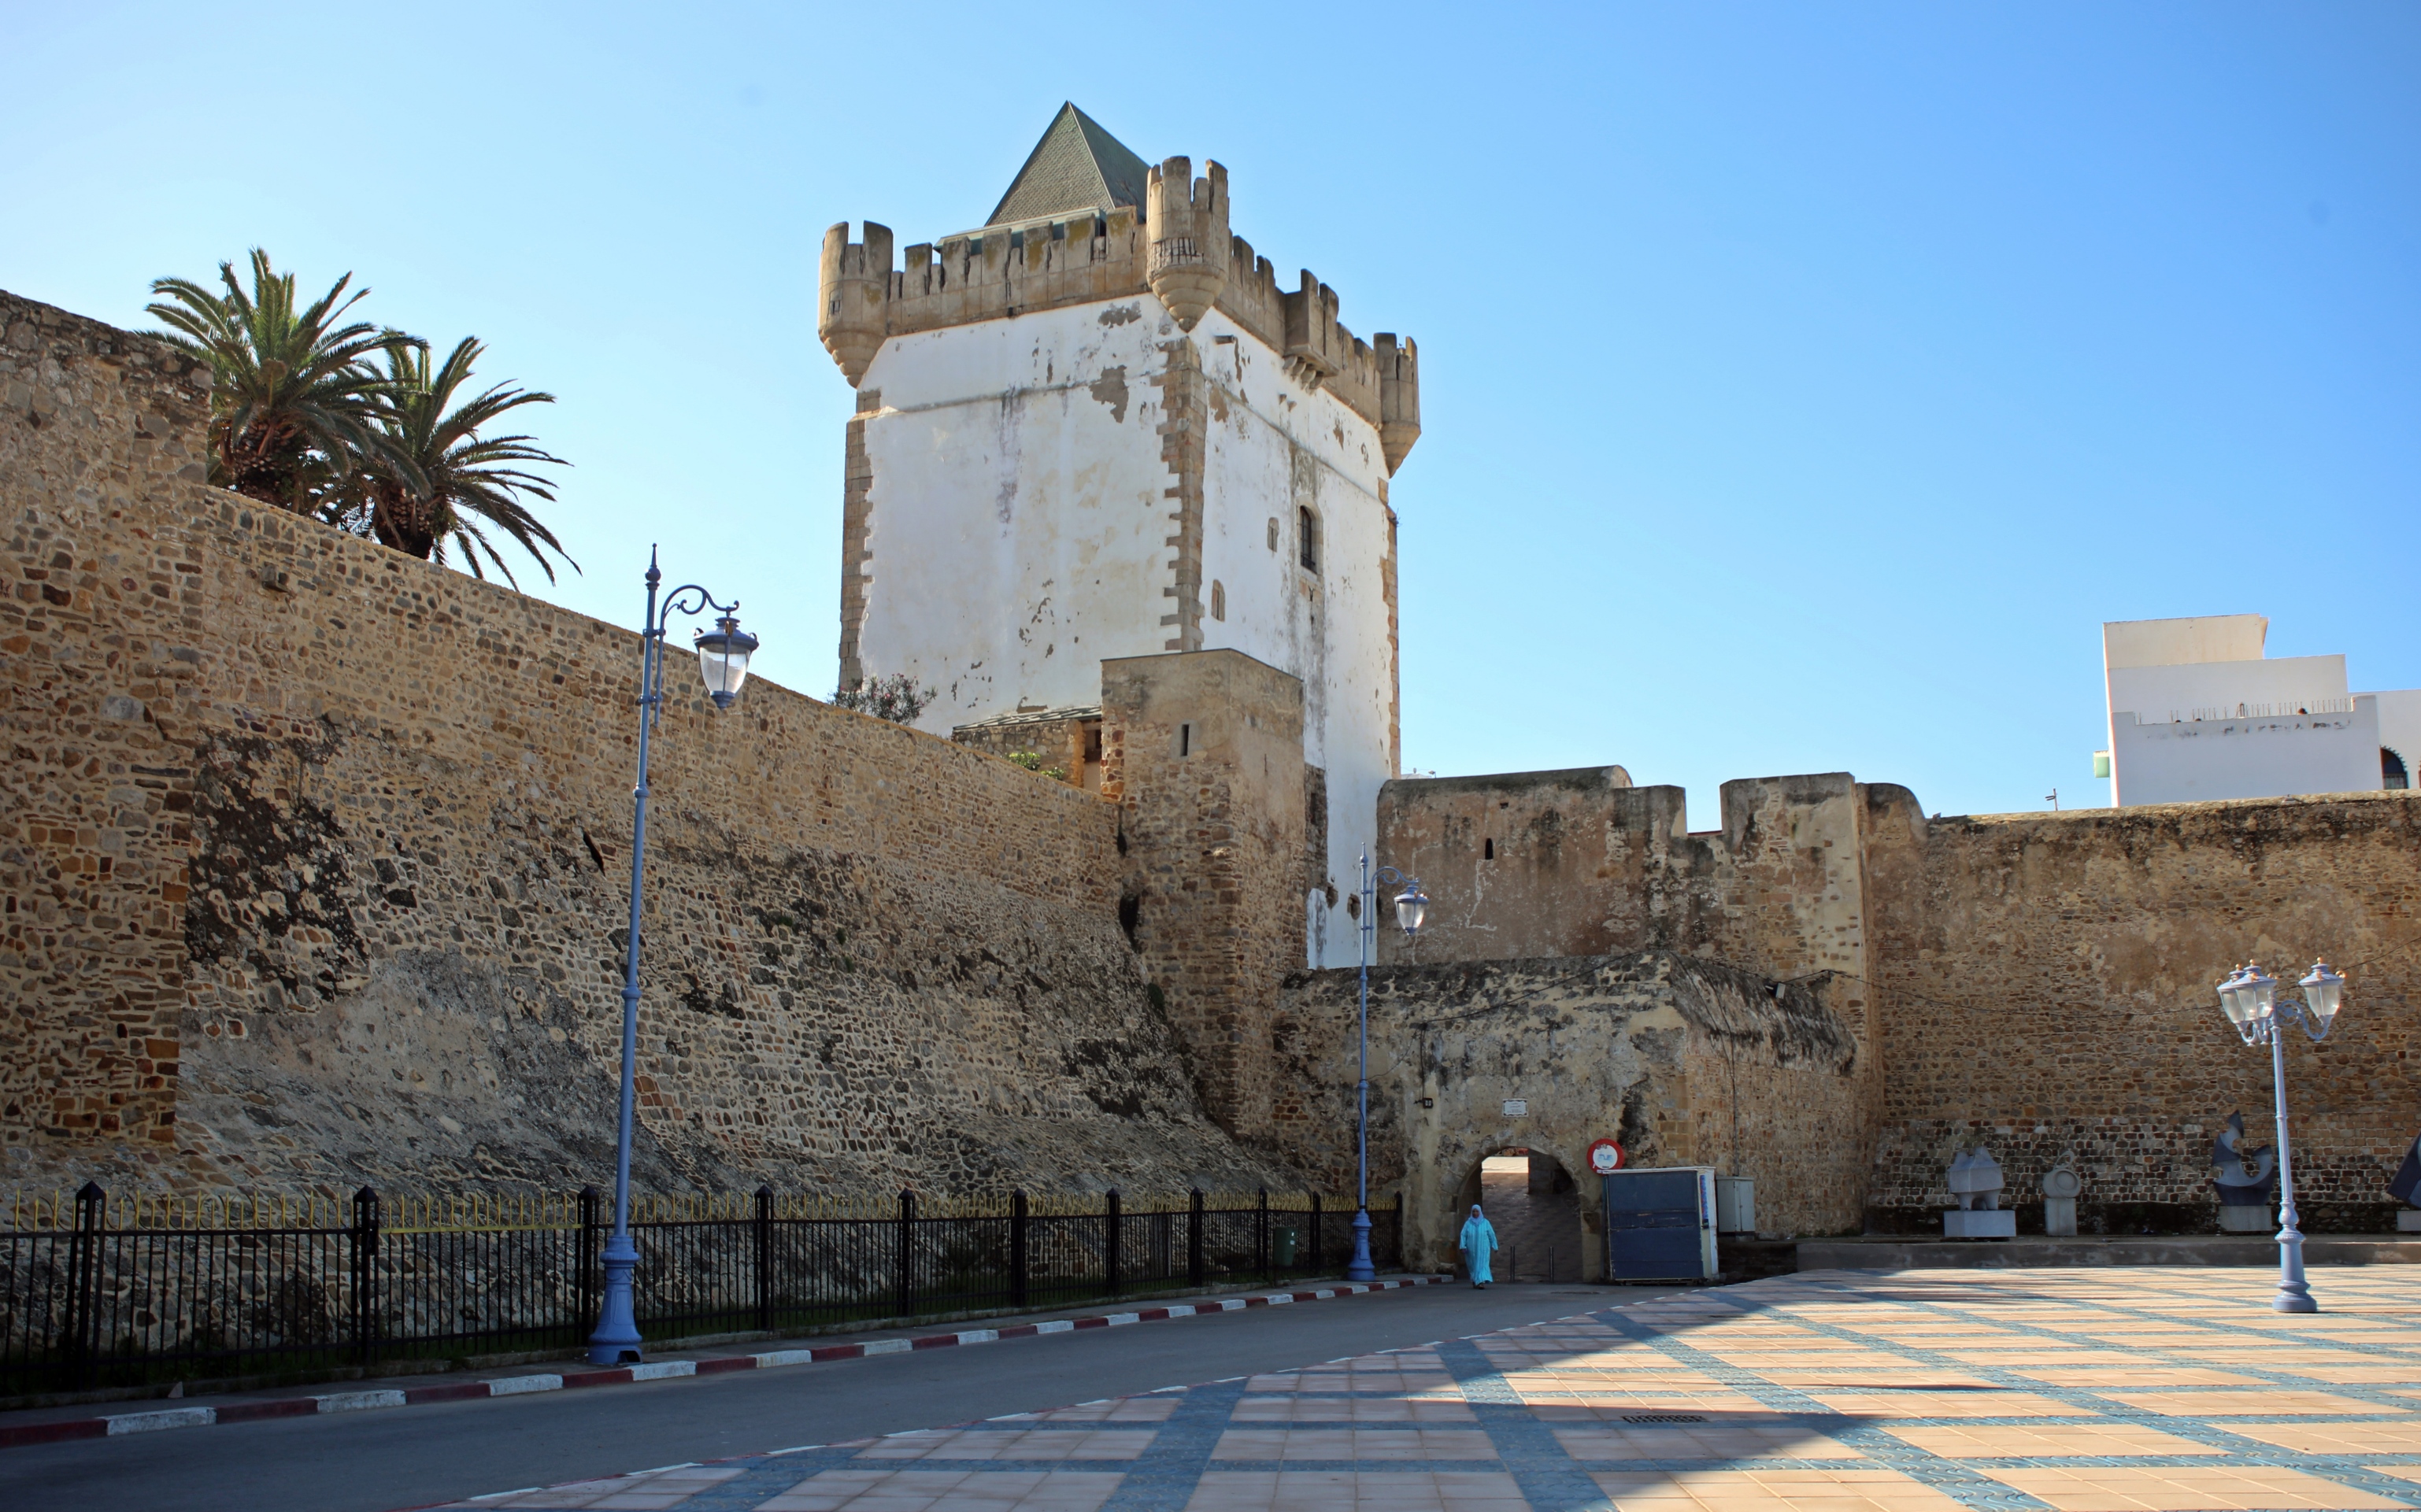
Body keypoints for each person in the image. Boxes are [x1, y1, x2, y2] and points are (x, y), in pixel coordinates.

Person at [1459, 1203, 1498, 1288]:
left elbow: (1491, 1234)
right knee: (1473, 1265)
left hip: (1483, 1249)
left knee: (1482, 1264)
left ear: (1480, 1212)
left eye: (1477, 1211)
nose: (1475, 1213)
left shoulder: (1486, 1223)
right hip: (1471, 1250)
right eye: (1474, 1211)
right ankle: (1475, 1279)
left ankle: (1480, 1282)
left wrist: (1494, 1246)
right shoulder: (1468, 1223)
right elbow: (1463, 1235)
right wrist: (1463, 1246)